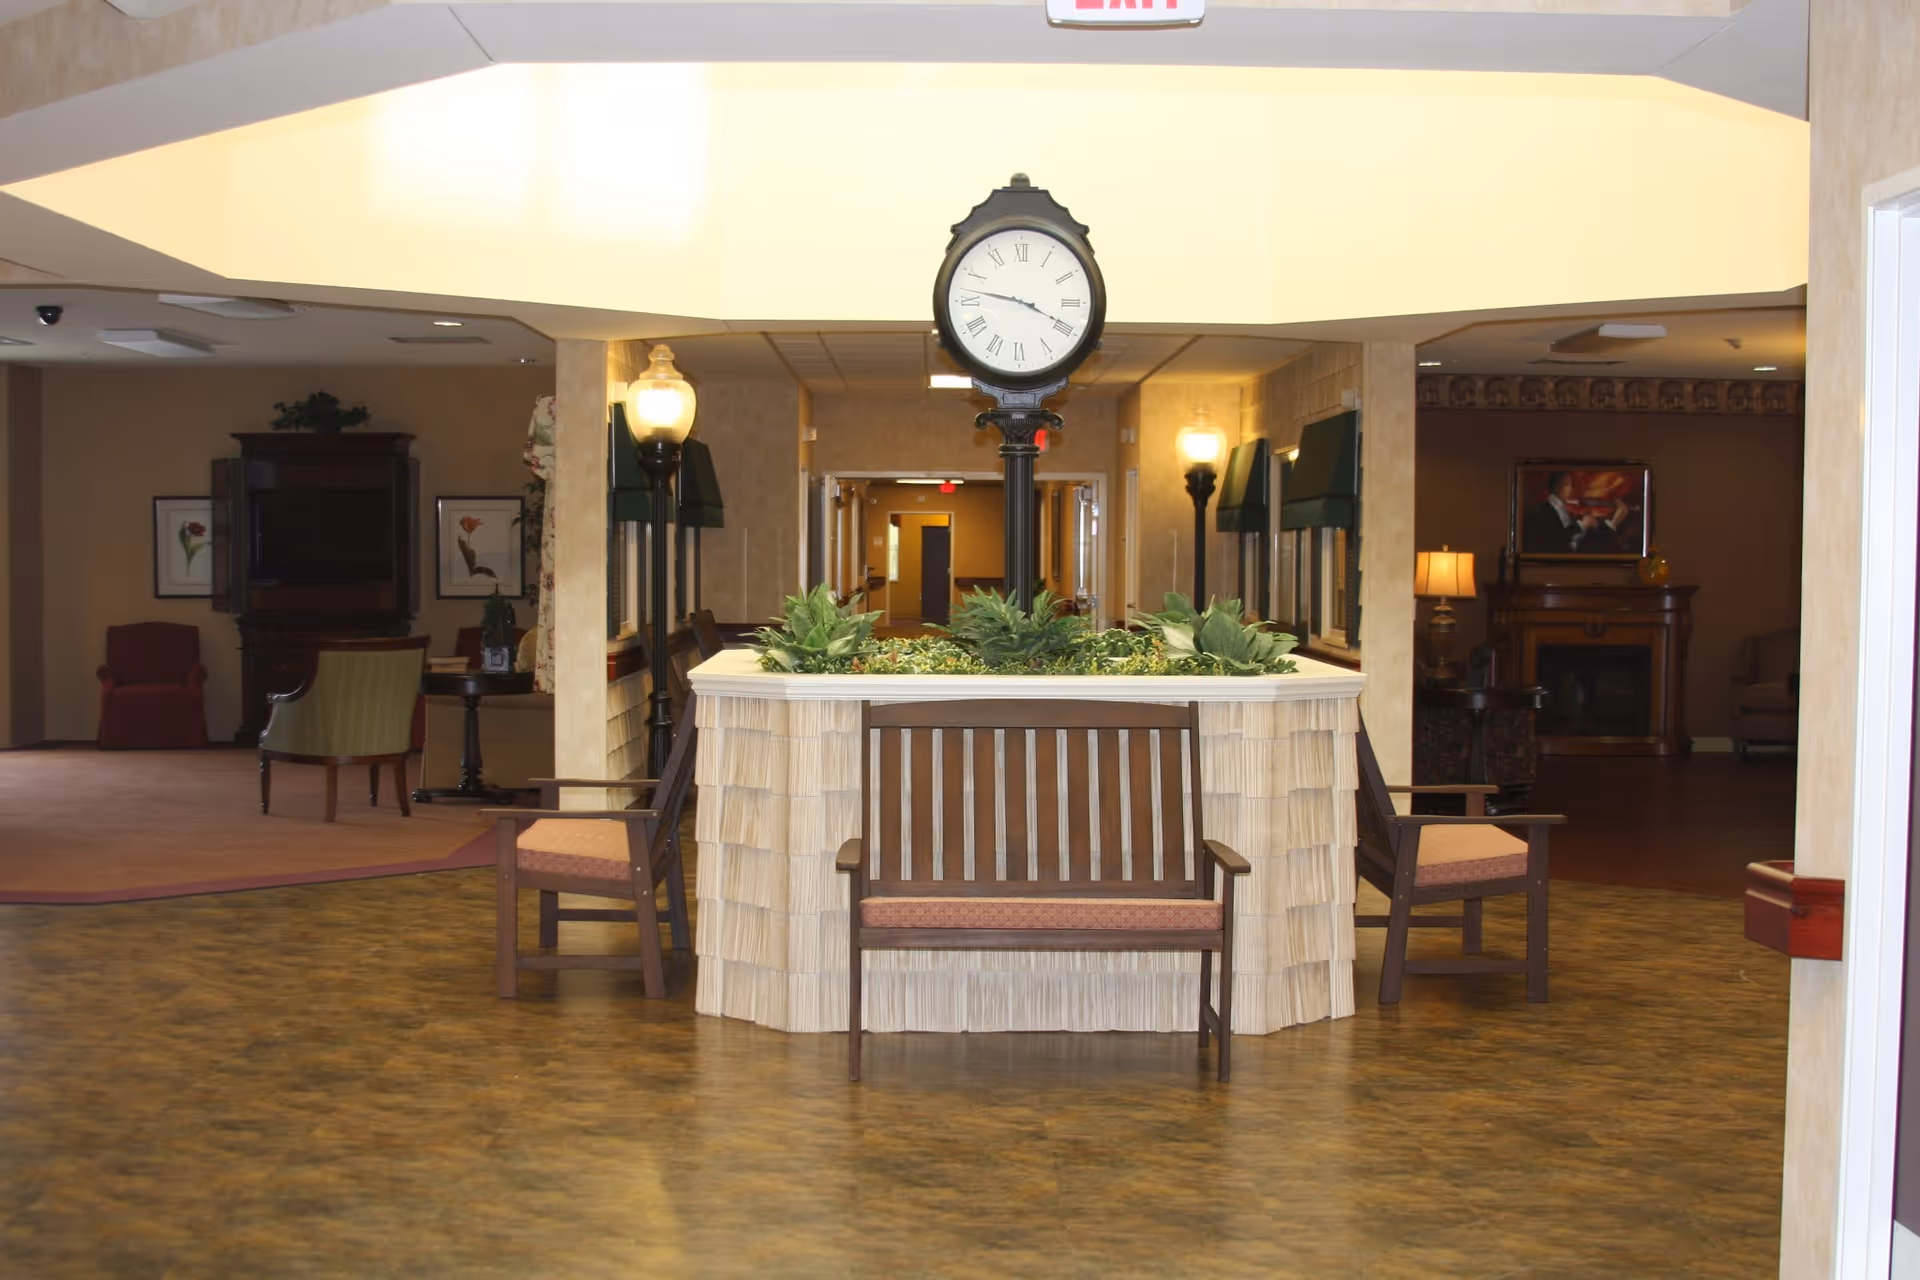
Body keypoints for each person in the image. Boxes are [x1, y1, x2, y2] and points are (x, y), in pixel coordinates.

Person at [1523, 471, 1632, 554]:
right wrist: (1583, 525)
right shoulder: (1543, 510)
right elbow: (1559, 539)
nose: (1570, 489)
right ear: (1557, 486)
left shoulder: (1564, 510)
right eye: (1567, 485)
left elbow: (1577, 539)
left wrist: (1611, 523)